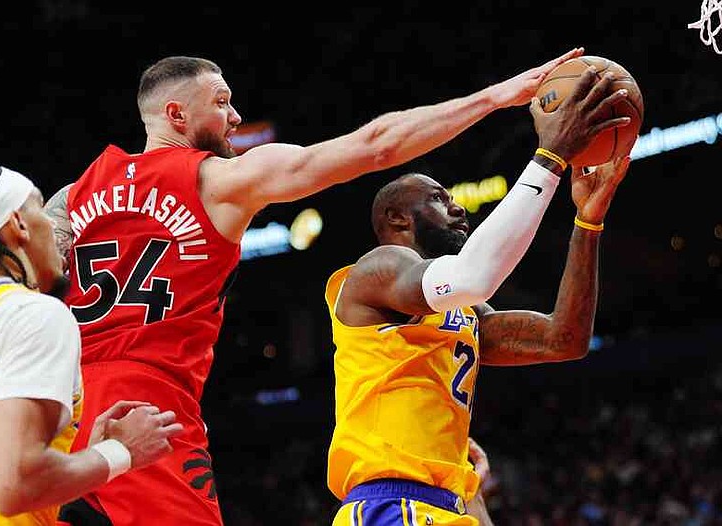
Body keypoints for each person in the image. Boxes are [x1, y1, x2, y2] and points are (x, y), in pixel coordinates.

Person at [43, 48, 622, 525]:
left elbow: (35, 293)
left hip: (67, 404)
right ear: (175, 113)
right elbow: (376, 145)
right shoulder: (220, 180)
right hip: (150, 399)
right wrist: (496, 98)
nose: (236, 116)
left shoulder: (72, 196)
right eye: (221, 103)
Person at [322, 67, 632, 524]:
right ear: (397, 218)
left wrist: (588, 220)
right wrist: (550, 157)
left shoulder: (462, 311)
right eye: (437, 198)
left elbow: (562, 339)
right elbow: (473, 276)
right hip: (389, 504)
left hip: (449, 505)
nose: (457, 207)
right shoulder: (375, 272)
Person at [0, 166, 184, 525]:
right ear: (18, 224)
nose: (55, 225)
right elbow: (13, 486)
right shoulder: (32, 313)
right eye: (41, 209)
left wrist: (85, 456)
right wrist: (121, 451)